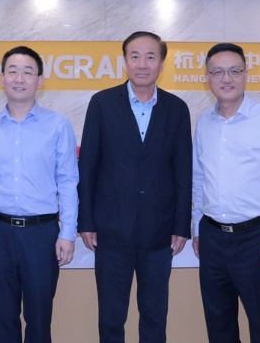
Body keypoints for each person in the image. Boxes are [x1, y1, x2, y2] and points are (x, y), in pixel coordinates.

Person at [77, 31, 192, 343]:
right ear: (125, 61)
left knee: (155, 317)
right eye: (135, 56)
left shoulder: (177, 108)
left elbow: (183, 171)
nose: (143, 64)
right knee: (111, 318)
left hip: (159, 232)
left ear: (161, 63)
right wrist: (86, 221)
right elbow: (88, 166)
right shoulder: (102, 103)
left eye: (150, 57)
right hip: (111, 230)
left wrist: (181, 225)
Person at [0, 46, 79, 342]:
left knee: (39, 320)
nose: (20, 78)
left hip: (41, 234)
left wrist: (67, 233)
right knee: (2, 319)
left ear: (40, 80)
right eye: (13, 71)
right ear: (2, 78)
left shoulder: (58, 125)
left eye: (28, 72)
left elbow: (68, 181)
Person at [191, 43, 260, 343]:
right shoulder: (204, 122)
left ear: (246, 75)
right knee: (219, 326)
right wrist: (197, 229)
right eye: (218, 72)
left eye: (234, 71)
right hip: (212, 238)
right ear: (207, 78)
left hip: (256, 240)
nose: (227, 79)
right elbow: (199, 179)